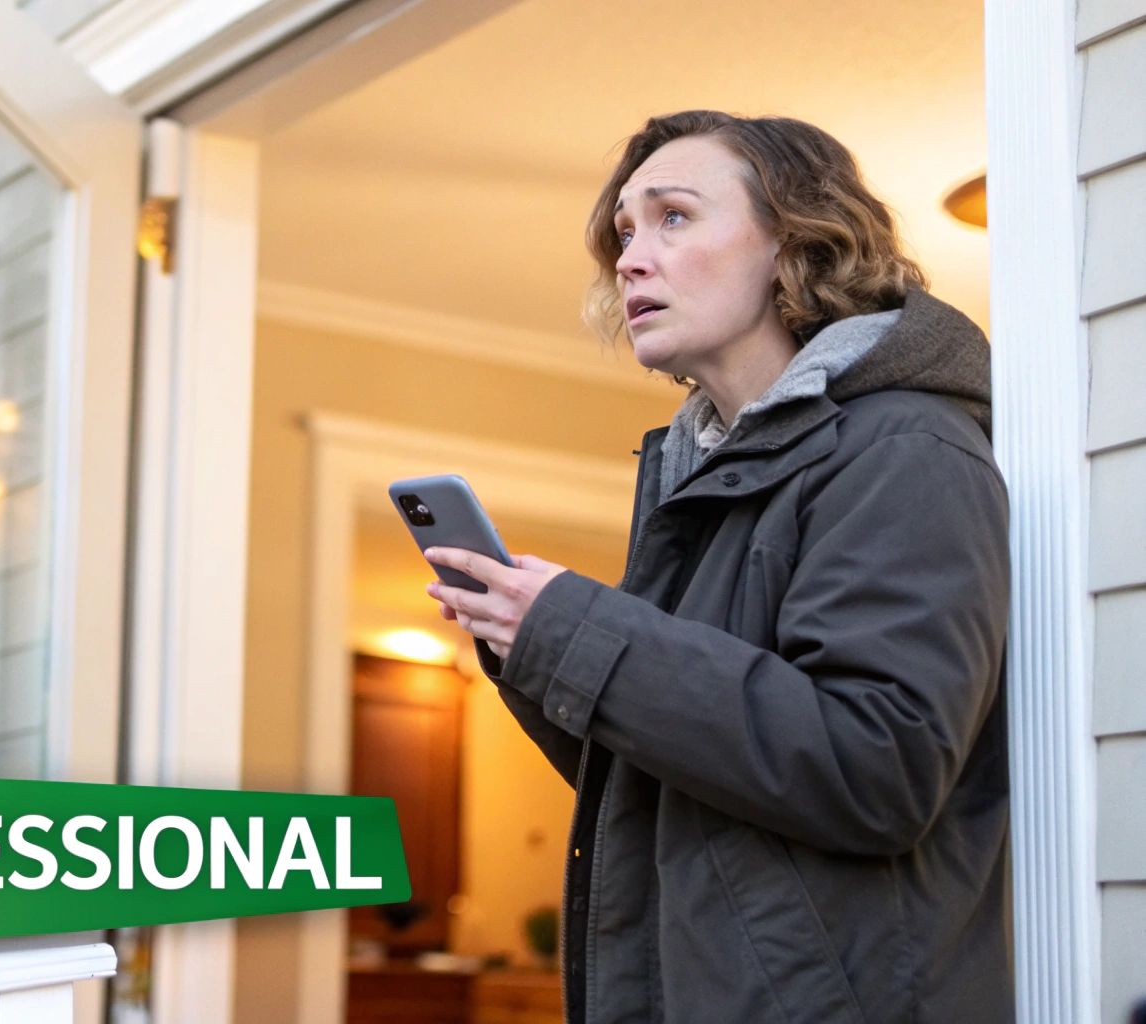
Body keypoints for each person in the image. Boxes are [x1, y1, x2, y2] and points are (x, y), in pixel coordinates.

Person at [423, 111, 1011, 1022]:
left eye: (673, 217)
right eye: (624, 231)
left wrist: (584, 633)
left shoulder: (907, 448)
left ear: (794, 240)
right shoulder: (707, 479)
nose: (628, 258)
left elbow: (877, 768)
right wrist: (535, 647)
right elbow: (675, 786)